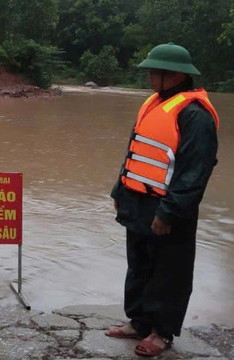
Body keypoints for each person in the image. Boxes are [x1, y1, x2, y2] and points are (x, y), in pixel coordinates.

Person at [107, 43, 219, 357]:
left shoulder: (195, 116)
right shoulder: (154, 104)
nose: (149, 78)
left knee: (168, 272)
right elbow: (136, 151)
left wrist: (169, 213)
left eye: (155, 72)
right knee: (139, 265)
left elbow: (193, 173)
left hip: (168, 208)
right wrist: (120, 191)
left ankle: (161, 331)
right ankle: (139, 322)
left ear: (175, 76)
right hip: (138, 203)